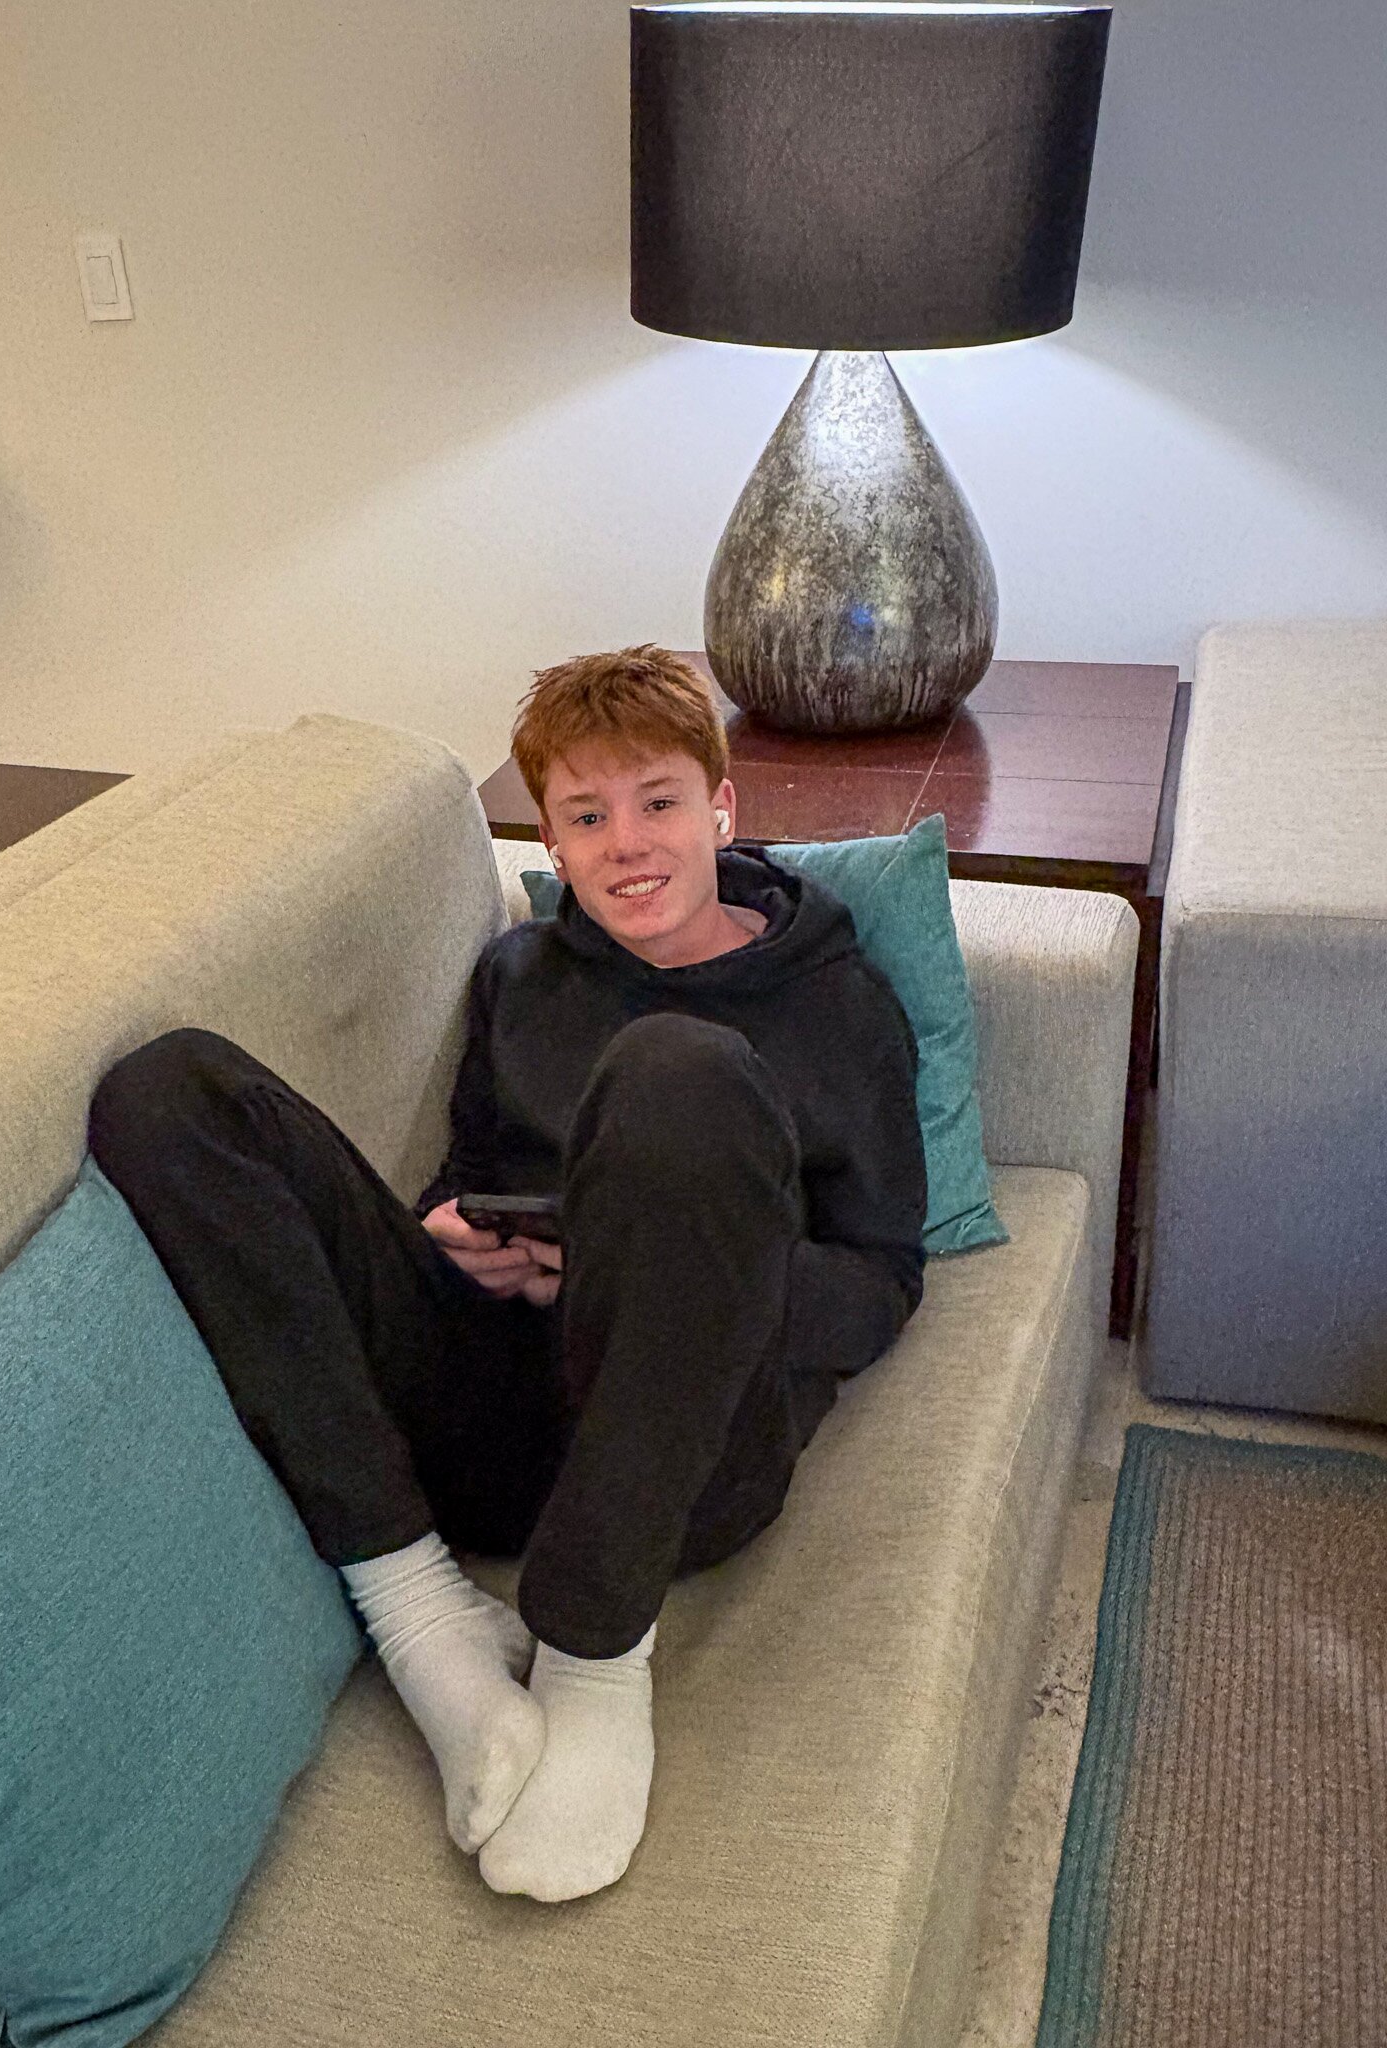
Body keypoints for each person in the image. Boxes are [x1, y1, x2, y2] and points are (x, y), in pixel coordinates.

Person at [87, 644, 926, 1904]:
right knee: (166, 1091)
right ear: (551, 841)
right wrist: (452, 1230)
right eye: (586, 817)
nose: (626, 843)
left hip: (689, 1449)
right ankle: (423, 1614)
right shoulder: (523, 974)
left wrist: (649, 1280)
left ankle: (594, 1654)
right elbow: (473, 1167)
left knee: (679, 1070)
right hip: (490, 1419)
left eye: (656, 802)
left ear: (720, 809)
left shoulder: (841, 1006)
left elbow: (881, 1280)